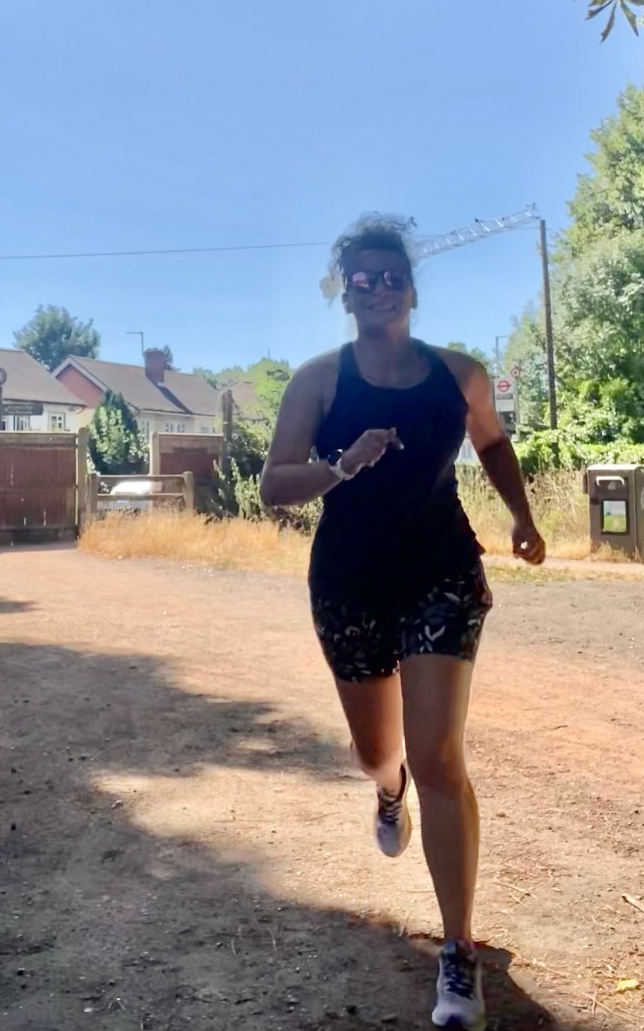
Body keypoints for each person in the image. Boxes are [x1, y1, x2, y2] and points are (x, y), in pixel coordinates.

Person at [260, 216, 545, 1031]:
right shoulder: (318, 381)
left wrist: (521, 516)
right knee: (377, 753)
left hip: (441, 574)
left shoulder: (460, 376)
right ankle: (389, 792)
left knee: (439, 753)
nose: (379, 287)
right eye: (362, 277)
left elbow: (490, 444)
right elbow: (273, 484)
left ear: (413, 290)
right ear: (343, 292)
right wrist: (341, 465)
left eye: (392, 276)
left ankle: (460, 955)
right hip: (349, 583)